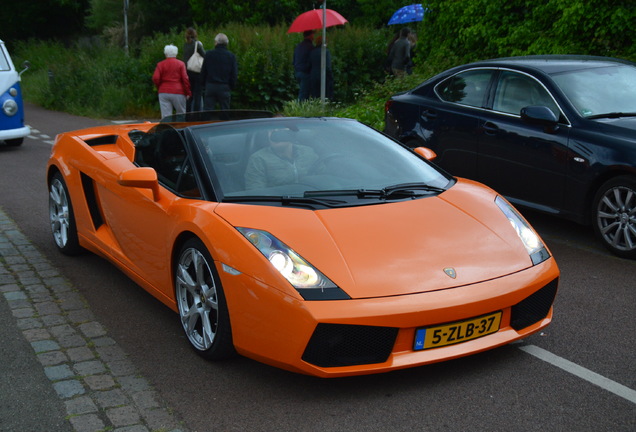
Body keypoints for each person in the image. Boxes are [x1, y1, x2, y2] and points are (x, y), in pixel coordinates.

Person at [244, 129, 319, 190]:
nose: (276, 135)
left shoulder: (308, 152)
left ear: (290, 133)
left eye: (280, 130)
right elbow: (256, 193)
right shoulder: (258, 159)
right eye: (272, 131)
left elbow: (325, 177)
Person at [152, 44, 191, 119]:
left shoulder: (160, 64)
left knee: (166, 116)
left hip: (164, 92)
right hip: (179, 91)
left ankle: (167, 129)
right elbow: (185, 79)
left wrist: (159, 87)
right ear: (176, 53)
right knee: (181, 114)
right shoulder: (181, 64)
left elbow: (155, 78)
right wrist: (188, 92)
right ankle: (180, 129)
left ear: (165, 53)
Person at [200, 33, 238, 110]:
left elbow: (203, 71)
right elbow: (234, 74)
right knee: (225, 110)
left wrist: (204, 85)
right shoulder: (231, 56)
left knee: (208, 110)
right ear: (226, 43)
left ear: (216, 42)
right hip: (224, 86)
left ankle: (208, 121)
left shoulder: (209, 54)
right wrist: (231, 86)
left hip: (210, 85)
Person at [183, 27, 205, 112]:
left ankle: (187, 114)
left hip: (187, 71)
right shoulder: (197, 44)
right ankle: (196, 115)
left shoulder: (185, 45)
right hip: (197, 72)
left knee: (189, 94)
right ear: (195, 35)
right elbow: (204, 55)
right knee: (198, 95)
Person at [309, 35, 334, 100]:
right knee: (325, 95)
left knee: (315, 96)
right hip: (323, 76)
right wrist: (331, 76)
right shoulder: (326, 51)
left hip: (313, 75)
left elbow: (309, 64)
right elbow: (328, 66)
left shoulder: (312, 51)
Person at [293, 30, 314, 101]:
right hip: (306, 72)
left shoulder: (298, 46)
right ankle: (299, 109)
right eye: (313, 34)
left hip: (298, 71)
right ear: (310, 35)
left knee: (303, 91)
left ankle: (302, 108)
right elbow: (312, 60)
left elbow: (294, 58)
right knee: (304, 93)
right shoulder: (310, 47)